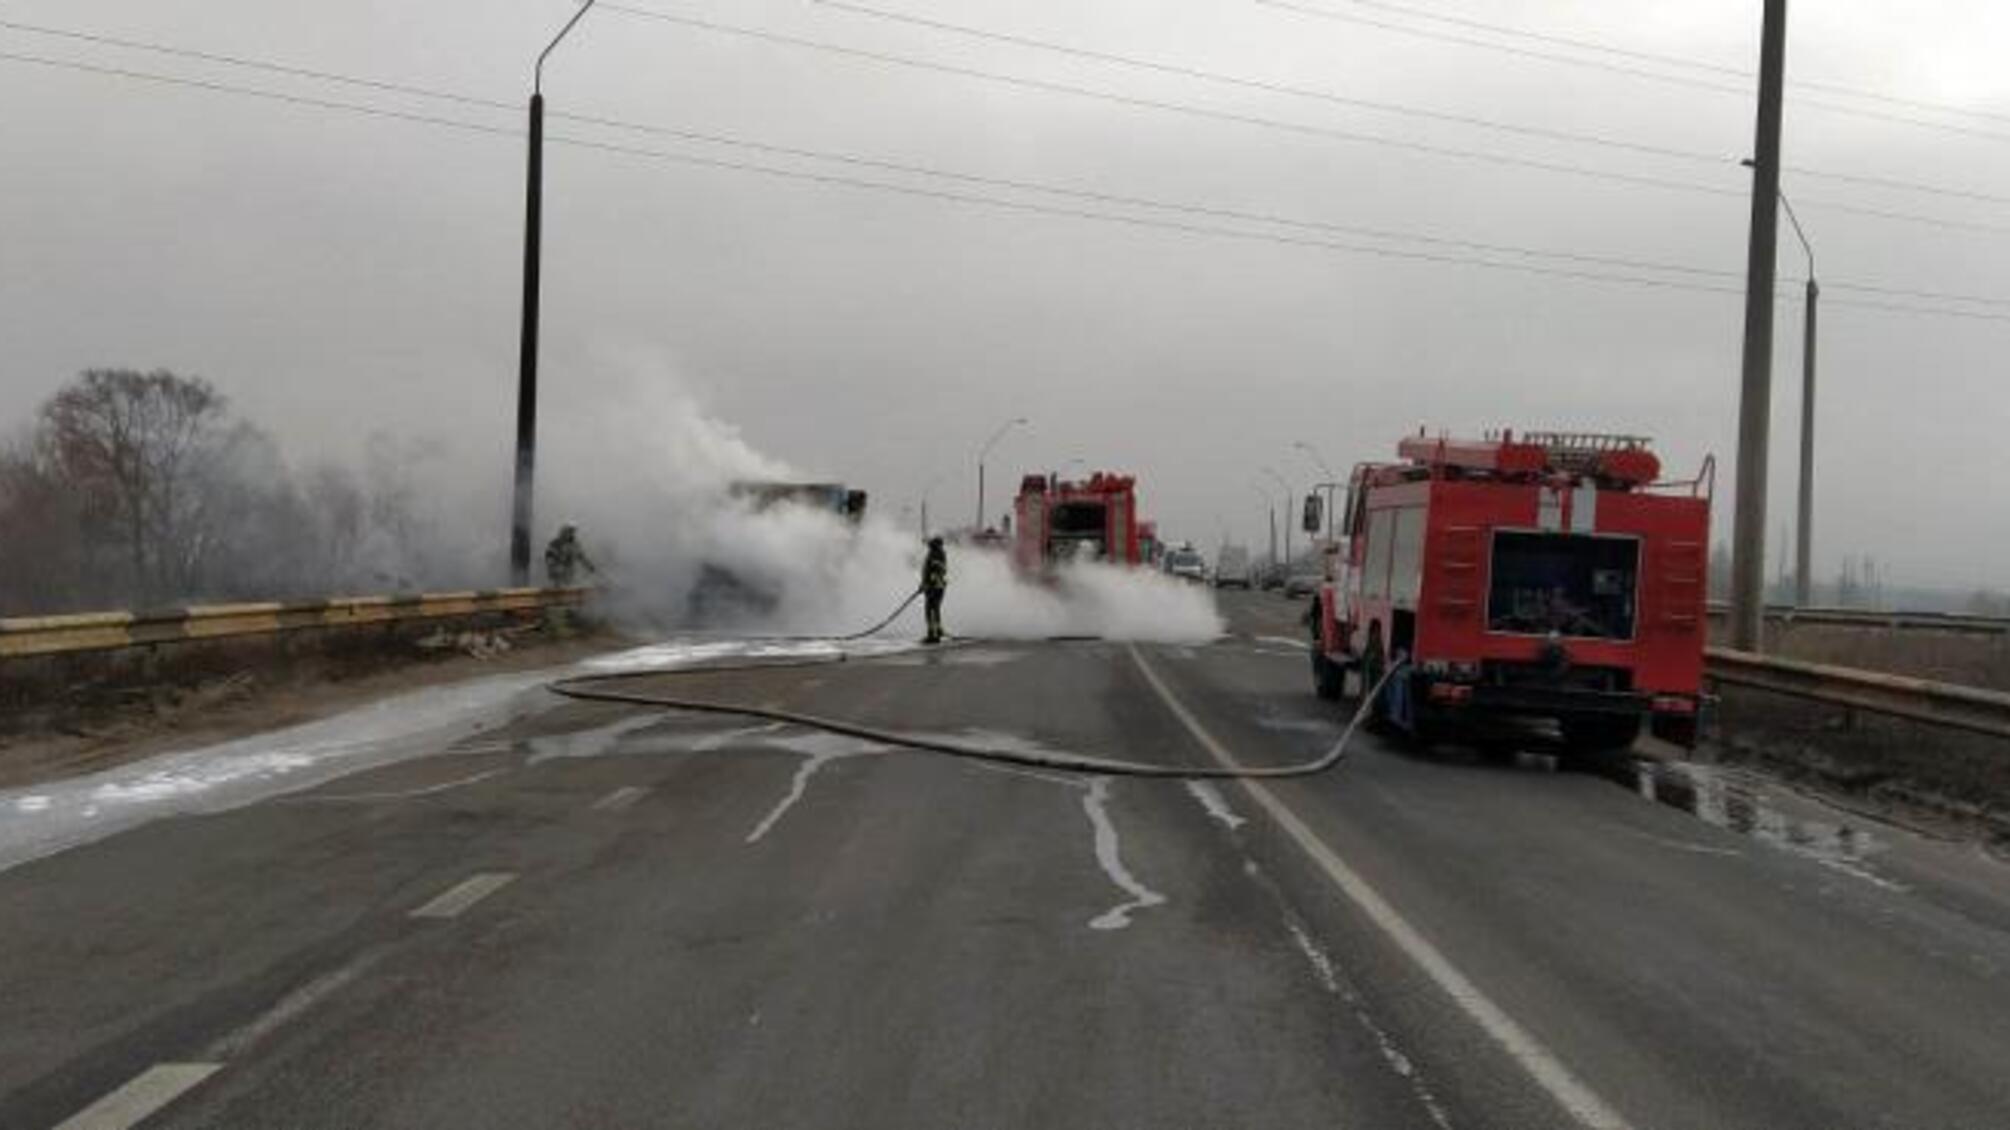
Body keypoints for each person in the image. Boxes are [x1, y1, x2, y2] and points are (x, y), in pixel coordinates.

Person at [921, 536, 948, 644]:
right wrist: (923, 583)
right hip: (935, 586)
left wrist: (929, 583)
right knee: (934, 610)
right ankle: (937, 631)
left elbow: (938, 571)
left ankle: (933, 635)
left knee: (931, 611)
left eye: (931, 544)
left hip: (935, 587)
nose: (929, 546)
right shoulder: (936, 553)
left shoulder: (936, 554)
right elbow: (928, 571)